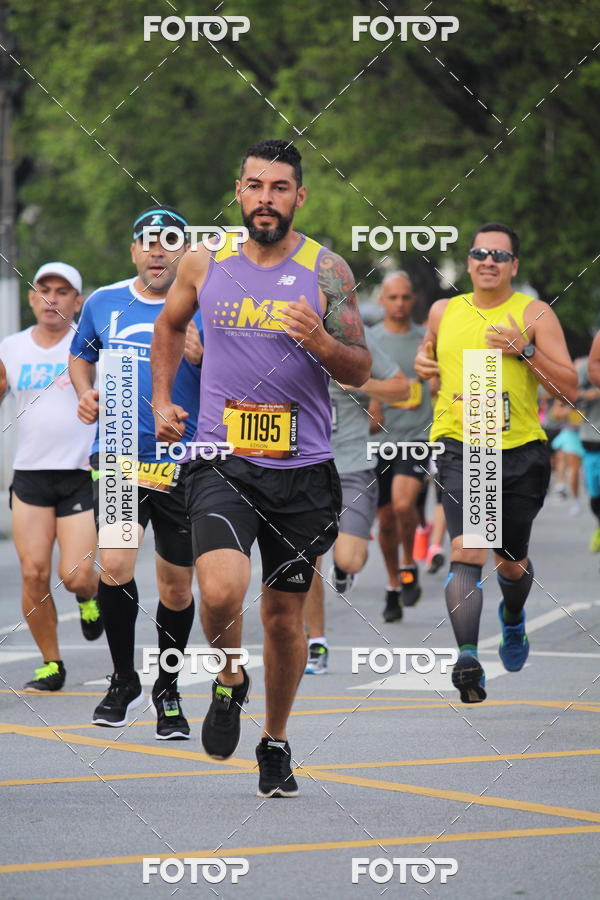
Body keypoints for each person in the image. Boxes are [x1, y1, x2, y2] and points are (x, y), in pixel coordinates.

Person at [151, 139, 371, 797]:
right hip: (222, 460)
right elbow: (168, 327)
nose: (266, 198)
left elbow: (360, 368)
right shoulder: (205, 262)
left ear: (299, 197)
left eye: (280, 187)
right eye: (255, 186)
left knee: (283, 616)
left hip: (302, 469)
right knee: (219, 590)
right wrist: (163, 399)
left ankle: (274, 740)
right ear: (239, 192)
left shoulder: (327, 271)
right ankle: (228, 676)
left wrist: (322, 341)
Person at [415, 222, 577, 703]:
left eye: (500, 255)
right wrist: (425, 369)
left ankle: (512, 618)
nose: (489, 261)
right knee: (467, 549)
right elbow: (430, 370)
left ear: (514, 266)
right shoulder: (443, 311)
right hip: (461, 446)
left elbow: (568, 387)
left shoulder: (533, 313)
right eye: (480, 253)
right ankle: (467, 657)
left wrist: (523, 350)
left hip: (519, 451)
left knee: (510, 562)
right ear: (468, 262)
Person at [69, 207, 203, 738]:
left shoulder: (204, 310)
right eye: (147, 241)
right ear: (133, 251)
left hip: (184, 463)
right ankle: (123, 679)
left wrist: (207, 351)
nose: (157, 250)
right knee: (116, 565)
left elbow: (237, 374)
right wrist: (86, 394)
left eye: (169, 241)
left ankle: (166, 690)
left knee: (175, 588)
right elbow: (80, 355)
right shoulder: (104, 302)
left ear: (183, 253)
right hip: (122, 453)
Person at [0, 263, 100, 692]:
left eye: (63, 292)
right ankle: (51, 663)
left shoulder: (91, 344)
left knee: (76, 575)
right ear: (31, 297)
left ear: (77, 301)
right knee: (33, 573)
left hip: (81, 473)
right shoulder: (11, 346)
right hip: (31, 475)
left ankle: (87, 596)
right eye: (44, 290)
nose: (52, 299)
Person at [304, 332, 409, 674]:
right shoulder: (282, 335)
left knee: (349, 559)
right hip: (303, 468)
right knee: (308, 563)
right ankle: (316, 643)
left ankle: (347, 567)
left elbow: (402, 389)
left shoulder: (351, 340)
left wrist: (363, 385)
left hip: (353, 466)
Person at [370, 272, 434, 620]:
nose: (399, 304)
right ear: (382, 300)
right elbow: (355, 377)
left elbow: (442, 378)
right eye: (392, 297)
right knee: (385, 519)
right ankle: (394, 584)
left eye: (405, 297)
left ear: (413, 300)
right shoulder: (371, 339)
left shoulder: (426, 338)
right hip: (378, 440)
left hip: (417, 438)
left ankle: (410, 561)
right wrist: (371, 400)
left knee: (403, 502)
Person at [580, 341, 600, 550]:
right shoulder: (586, 368)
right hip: (593, 438)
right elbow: (568, 396)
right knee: (595, 494)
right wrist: (592, 393)